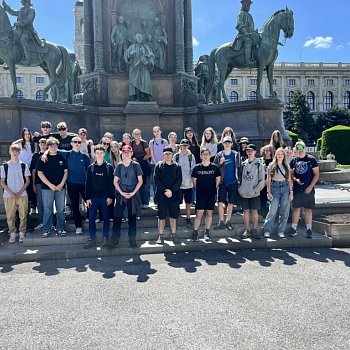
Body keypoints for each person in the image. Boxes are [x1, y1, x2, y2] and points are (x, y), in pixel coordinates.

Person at [108, 145, 143, 249]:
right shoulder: (119, 166)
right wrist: (121, 193)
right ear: (122, 153)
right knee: (117, 219)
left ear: (131, 153)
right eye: (124, 152)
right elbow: (115, 181)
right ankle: (114, 242)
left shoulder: (136, 165)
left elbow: (140, 181)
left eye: (128, 152)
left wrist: (133, 193)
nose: (126, 153)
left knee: (132, 220)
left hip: (133, 194)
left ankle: (132, 241)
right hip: (121, 195)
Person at [287, 141, 319, 239]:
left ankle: (309, 230)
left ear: (305, 148)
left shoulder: (311, 160)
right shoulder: (294, 161)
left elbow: (317, 174)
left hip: (308, 189)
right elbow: (291, 174)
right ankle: (293, 229)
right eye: (297, 147)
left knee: (308, 209)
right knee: (296, 209)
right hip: (297, 189)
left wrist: (310, 187)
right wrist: (295, 180)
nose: (299, 149)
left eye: (301, 147)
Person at [84, 145, 114, 249]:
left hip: (105, 198)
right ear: (95, 154)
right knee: (91, 219)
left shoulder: (109, 167)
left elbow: (111, 184)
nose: (99, 154)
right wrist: (87, 198)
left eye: (101, 153)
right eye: (97, 153)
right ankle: (92, 239)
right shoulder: (91, 168)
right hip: (93, 198)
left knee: (106, 219)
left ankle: (106, 238)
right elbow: (88, 184)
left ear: (104, 154)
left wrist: (110, 197)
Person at [37, 137, 68, 237]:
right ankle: (46, 229)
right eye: (51, 145)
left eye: (55, 145)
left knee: (61, 209)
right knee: (47, 209)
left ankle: (61, 228)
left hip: (60, 188)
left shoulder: (61, 157)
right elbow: (40, 173)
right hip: (47, 188)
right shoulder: (43, 158)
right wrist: (50, 185)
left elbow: (66, 172)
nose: (53, 147)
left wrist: (61, 184)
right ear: (47, 146)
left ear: (57, 146)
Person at [0, 144, 30, 243]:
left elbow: (28, 181)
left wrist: (21, 191)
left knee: (23, 215)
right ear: (9, 152)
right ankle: (12, 234)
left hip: (22, 194)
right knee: (10, 216)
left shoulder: (23, 165)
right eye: (13, 150)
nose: (15, 152)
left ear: (19, 152)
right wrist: (10, 192)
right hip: (9, 195)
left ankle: (22, 233)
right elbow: (2, 181)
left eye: (17, 151)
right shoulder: (4, 166)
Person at [191, 148, 221, 241]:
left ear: (210, 155)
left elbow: (218, 179)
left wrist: (213, 189)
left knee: (209, 213)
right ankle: (195, 232)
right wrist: (199, 189)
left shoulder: (215, 167)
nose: (205, 156)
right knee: (199, 214)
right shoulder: (197, 168)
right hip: (200, 194)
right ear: (201, 156)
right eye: (203, 154)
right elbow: (194, 181)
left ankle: (207, 231)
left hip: (211, 194)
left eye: (207, 154)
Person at [154, 147, 182, 244]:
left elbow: (179, 180)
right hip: (162, 195)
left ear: (172, 154)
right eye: (166, 153)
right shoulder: (159, 166)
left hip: (174, 195)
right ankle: (160, 236)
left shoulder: (177, 166)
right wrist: (165, 190)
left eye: (169, 154)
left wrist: (172, 190)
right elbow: (156, 180)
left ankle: (174, 235)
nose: (167, 155)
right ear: (163, 155)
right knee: (161, 216)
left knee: (173, 216)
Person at [263, 148, 293, 238]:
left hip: (285, 188)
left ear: (284, 156)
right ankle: (267, 229)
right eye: (278, 154)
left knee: (284, 211)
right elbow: (268, 179)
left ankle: (281, 230)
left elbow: (289, 179)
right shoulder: (271, 165)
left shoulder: (286, 165)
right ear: (275, 155)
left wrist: (291, 192)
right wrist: (268, 191)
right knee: (272, 210)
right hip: (274, 188)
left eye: (281, 154)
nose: (280, 156)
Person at [2, 0, 43, 65]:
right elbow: (13, 12)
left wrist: (20, 23)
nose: (21, 2)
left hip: (28, 31)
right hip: (18, 30)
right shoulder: (21, 9)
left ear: (26, 1)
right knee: (9, 37)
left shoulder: (31, 10)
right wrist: (7, 8)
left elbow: (29, 19)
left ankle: (28, 58)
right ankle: (9, 57)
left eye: (22, 1)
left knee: (23, 39)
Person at [238, 144, 265, 239]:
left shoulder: (259, 164)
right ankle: (247, 229)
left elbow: (262, 180)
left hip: (254, 193)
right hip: (244, 192)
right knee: (245, 211)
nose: (250, 152)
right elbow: (239, 177)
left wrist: (256, 190)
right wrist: (240, 188)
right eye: (248, 150)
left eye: (252, 150)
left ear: (255, 152)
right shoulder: (243, 164)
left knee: (254, 211)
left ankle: (255, 229)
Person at [213, 136, 240, 230]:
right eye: (225, 142)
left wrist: (238, 180)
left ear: (232, 144)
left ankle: (228, 221)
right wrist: (220, 163)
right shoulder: (219, 154)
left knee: (231, 202)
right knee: (220, 202)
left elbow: (239, 167)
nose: (227, 144)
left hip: (233, 181)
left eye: (229, 142)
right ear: (223, 144)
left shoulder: (236, 154)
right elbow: (214, 168)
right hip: (222, 182)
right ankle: (221, 221)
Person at [124, 33, 155, 101]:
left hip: (144, 67)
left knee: (144, 82)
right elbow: (126, 55)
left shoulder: (146, 47)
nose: (139, 38)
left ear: (142, 38)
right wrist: (130, 54)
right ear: (136, 38)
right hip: (134, 67)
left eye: (141, 37)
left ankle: (144, 97)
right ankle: (137, 97)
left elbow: (152, 55)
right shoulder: (132, 47)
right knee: (135, 82)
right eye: (138, 37)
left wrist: (149, 61)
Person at [173, 139, 196, 229]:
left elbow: (193, 169)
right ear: (180, 146)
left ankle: (188, 219)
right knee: (177, 203)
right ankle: (177, 220)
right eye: (183, 145)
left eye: (186, 145)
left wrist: (194, 182)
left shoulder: (191, 156)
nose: (184, 147)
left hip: (188, 183)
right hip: (178, 184)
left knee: (188, 203)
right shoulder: (176, 156)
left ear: (188, 146)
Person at [233, 0, 259, 66]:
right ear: (244, 6)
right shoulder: (241, 13)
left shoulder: (249, 15)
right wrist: (245, 32)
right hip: (243, 35)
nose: (249, 7)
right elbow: (239, 24)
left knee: (259, 41)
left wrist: (254, 32)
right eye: (248, 5)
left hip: (250, 34)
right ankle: (248, 61)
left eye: (249, 6)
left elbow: (251, 27)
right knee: (248, 41)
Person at [30, 138, 47, 230]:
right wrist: (33, 184)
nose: (43, 145)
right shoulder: (35, 156)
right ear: (39, 145)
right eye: (41, 143)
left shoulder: (49, 154)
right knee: (40, 203)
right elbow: (33, 171)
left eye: (45, 143)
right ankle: (42, 222)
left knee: (48, 203)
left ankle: (50, 222)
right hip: (38, 182)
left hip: (49, 183)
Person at [131, 129, 151, 209]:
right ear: (133, 135)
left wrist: (140, 160)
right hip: (135, 165)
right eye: (135, 134)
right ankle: (138, 202)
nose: (136, 135)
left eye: (138, 134)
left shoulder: (144, 143)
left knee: (145, 185)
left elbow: (148, 154)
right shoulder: (132, 143)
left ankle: (145, 202)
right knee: (138, 184)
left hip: (144, 164)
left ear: (140, 134)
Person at [259, 144, 274, 217]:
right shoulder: (260, 160)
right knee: (262, 199)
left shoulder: (274, 161)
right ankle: (263, 215)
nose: (267, 152)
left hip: (271, 182)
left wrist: (267, 181)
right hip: (261, 181)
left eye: (269, 150)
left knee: (270, 200)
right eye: (266, 150)